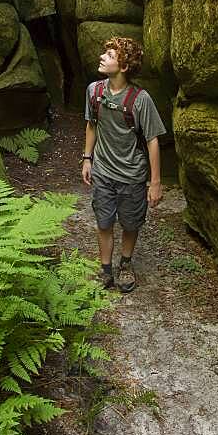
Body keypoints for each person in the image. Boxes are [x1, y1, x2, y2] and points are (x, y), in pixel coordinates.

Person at [82, 36, 166, 293]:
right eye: (104, 53)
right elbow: (91, 125)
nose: (102, 57)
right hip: (104, 171)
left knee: (130, 224)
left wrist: (155, 182)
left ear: (124, 66)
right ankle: (106, 270)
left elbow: (152, 140)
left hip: (132, 175)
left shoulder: (141, 100)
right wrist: (87, 158)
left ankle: (126, 264)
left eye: (109, 55)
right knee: (104, 222)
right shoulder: (94, 92)